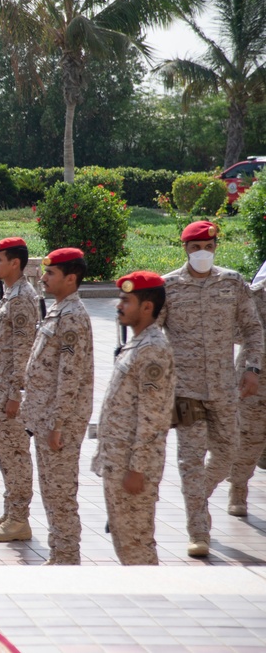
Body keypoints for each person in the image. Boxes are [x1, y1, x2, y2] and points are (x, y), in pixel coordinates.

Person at [159, 220, 262, 557]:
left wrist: (251, 369)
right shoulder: (169, 287)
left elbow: (252, 329)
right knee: (190, 459)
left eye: (207, 247)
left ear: (215, 247)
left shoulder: (232, 283)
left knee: (228, 452)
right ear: (185, 249)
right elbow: (153, 335)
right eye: (194, 247)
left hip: (224, 389)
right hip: (186, 391)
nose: (201, 253)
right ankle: (199, 532)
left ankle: (197, 493)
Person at [92, 271, 175, 565]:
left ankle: (153, 604)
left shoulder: (152, 349)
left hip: (132, 465)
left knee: (136, 545)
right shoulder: (138, 343)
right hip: (119, 459)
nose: (119, 305)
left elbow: (152, 416)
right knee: (126, 541)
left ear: (147, 307)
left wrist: (137, 469)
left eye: (126, 300)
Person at [23, 248, 94, 565]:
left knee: (60, 492)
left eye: (51, 273)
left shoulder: (73, 318)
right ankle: (60, 553)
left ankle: (66, 556)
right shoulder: (58, 311)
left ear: (71, 278)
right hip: (46, 418)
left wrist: (58, 424)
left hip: (59, 422)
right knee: (51, 489)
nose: (43, 277)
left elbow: (70, 378)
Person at [0, 237, 38, 542]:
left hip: (9, 395)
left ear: (15, 263)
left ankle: (19, 518)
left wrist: (16, 393)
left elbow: (23, 350)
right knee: (4, 454)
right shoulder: (11, 293)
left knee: (15, 455)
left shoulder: (22, 298)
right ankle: (11, 511)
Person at [228, 276, 266, 517]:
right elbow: (235, 331)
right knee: (249, 436)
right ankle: (238, 488)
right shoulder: (255, 295)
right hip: (256, 376)